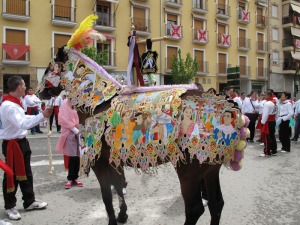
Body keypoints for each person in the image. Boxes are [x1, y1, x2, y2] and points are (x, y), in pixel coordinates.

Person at [0, 76, 52, 221]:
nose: (25, 87)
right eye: (24, 85)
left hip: (21, 142)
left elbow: (24, 117)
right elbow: (22, 124)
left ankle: (29, 201)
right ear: (19, 87)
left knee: (26, 174)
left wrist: (41, 116)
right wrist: (41, 115)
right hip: (12, 145)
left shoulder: (15, 102)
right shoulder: (9, 106)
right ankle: (10, 206)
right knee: (12, 176)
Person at [56, 99, 83, 189]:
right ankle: (70, 178)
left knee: (77, 156)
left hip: (76, 133)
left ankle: (75, 177)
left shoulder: (74, 110)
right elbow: (63, 121)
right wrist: (74, 129)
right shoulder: (64, 109)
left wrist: (78, 129)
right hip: (68, 134)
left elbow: (77, 121)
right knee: (72, 156)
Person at [260, 90, 277, 157]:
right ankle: (274, 150)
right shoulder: (275, 102)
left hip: (267, 121)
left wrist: (262, 122)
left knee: (267, 137)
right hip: (273, 121)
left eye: (265, 95)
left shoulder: (267, 103)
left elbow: (265, 114)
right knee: (272, 136)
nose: (264, 96)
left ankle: (267, 151)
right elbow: (277, 112)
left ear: (269, 95)